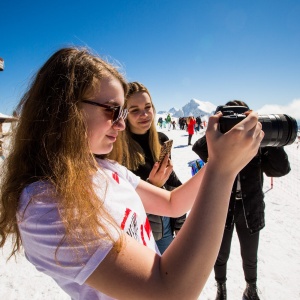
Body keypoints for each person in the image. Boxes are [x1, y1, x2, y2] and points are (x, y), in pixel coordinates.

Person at [0, 47, 264, 300]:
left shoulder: (103, 167)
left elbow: (172, 203)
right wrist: (221, 171)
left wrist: (222, 159)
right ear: (65, 110)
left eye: (123, 111)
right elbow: (171, 292)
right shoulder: (45, 205)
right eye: (114, 110)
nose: (122, 123)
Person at [192, 100, 291, 300]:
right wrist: (219, 126)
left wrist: (265, 135)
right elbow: (198, 148)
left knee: (250, 255)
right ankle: (222, 289)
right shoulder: (217, 146)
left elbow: (281, 169)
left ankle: (251, 289)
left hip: (250, 208)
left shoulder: (254, 143)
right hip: (222, 208)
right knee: (220, 255)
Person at [108, 81, 186, 254]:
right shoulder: (115, 148)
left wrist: (180, 223)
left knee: (170, 276)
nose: (144, 114)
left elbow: (173, 183)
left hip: (163, 227)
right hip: (135, 232)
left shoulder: (161, 140)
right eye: (135, 110)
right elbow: (117, 200)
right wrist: (152, 184)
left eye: (148, 107)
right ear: (125, 114)